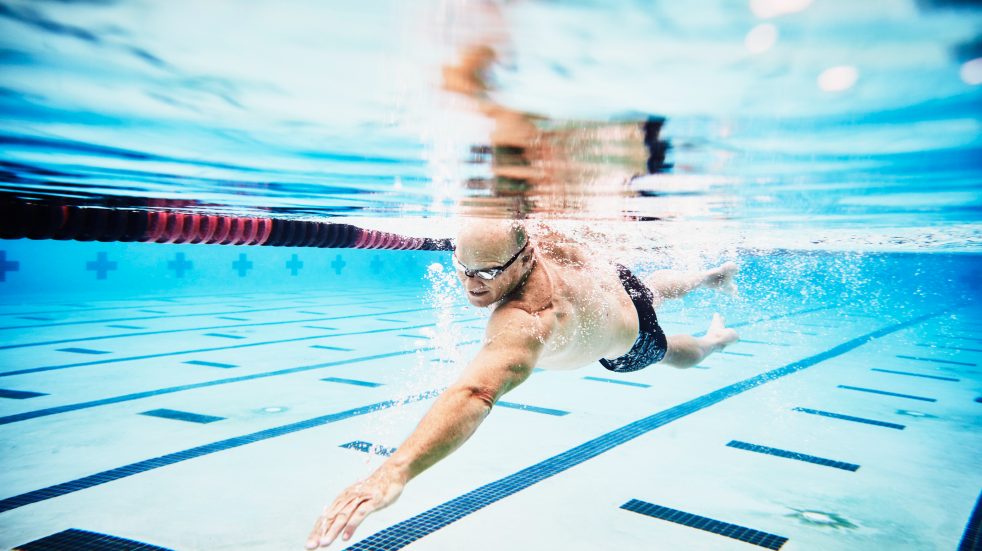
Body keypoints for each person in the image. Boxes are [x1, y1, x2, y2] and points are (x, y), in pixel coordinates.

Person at [305, 219, 739, 549]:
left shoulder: (530, 316)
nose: (472, 284)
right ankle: (709, 276)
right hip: (610, 283)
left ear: (526, 258)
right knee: (651, 288)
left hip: (624, 337)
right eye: (462, 268)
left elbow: (477, 392)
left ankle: (713, 341)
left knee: (669, 351)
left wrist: (395, 471)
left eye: (489, 273)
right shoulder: (533, 236)